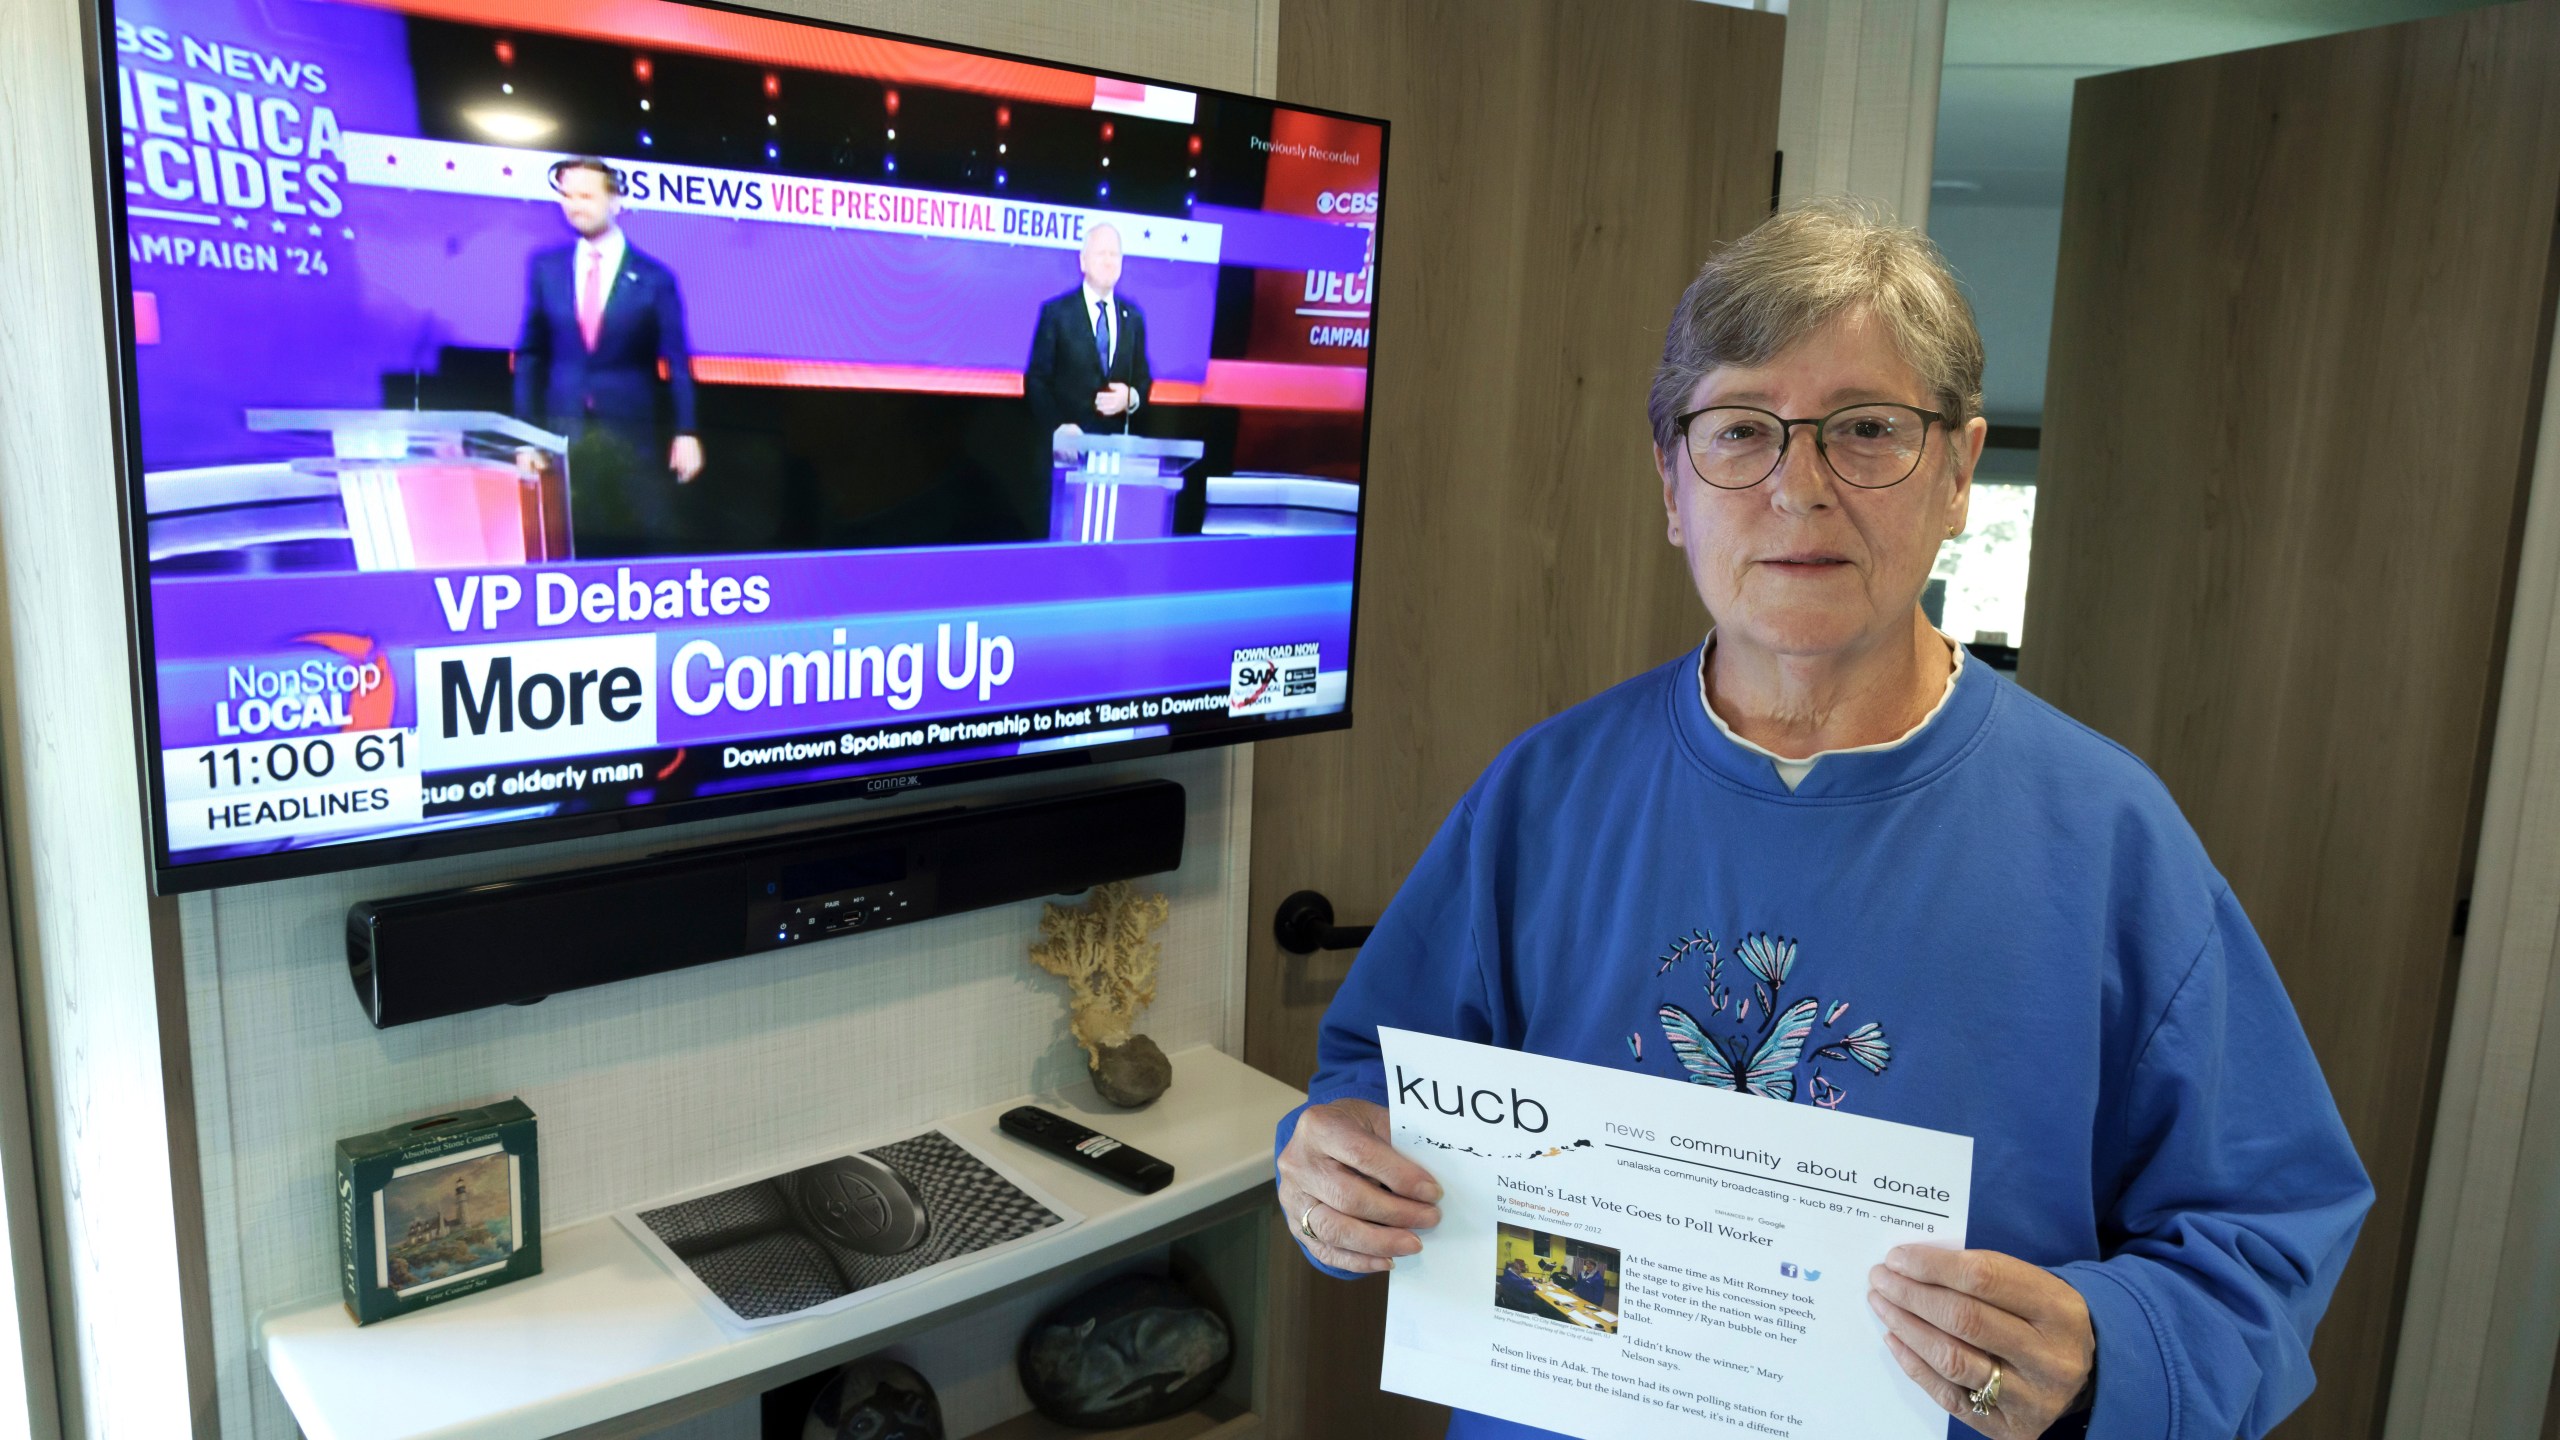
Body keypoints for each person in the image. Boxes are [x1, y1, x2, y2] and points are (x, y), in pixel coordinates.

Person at [1273, 199, 2373, 1440]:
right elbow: (1372, 1086)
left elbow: (2268, 1233)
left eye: (1863, 431)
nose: (1798, 491)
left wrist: (2111, 1349)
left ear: (1959, 472)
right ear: (1672, 484)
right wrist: (1330, 1169)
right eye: (1741, 431)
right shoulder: (1543, 796)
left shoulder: (2109, 839)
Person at [514, 155, 703, 556]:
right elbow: (530, 356)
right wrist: (525, 436)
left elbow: (678, 361)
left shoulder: (654, 277)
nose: (574, 205)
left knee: (632, 545)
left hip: (630, 437)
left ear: (615, 201)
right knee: (564, 547)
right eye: (567, 196)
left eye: (585, 196)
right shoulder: (546, 269)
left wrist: (686, 431)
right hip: (560, 437)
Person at [1026, 222, 1152, 462]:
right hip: (1064, 455)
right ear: (1083, 261)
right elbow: (1036, 381)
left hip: (1114, 457)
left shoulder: (1133, 318)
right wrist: (1058, 429)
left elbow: (1143, 380)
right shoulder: (1056, 313)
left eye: (1114, 254)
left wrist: (1132, 398)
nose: (1108, 261)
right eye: (1101, 253)